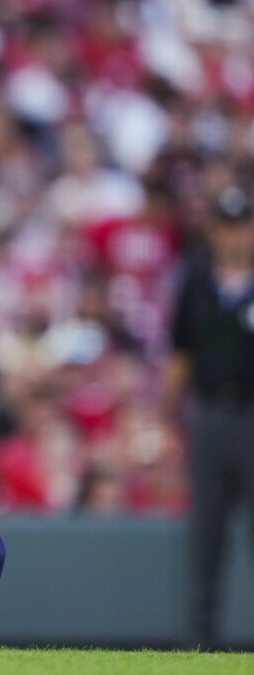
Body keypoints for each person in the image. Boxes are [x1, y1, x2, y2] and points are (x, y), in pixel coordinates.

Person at [162, 186, 254, 649]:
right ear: (214, 230)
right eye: (226, 225)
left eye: (242, 225)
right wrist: (167, 417)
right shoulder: (196, 282)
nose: (235, 235)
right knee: (208, 529)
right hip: (208, 414)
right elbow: (180, 356)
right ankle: (202, 638)